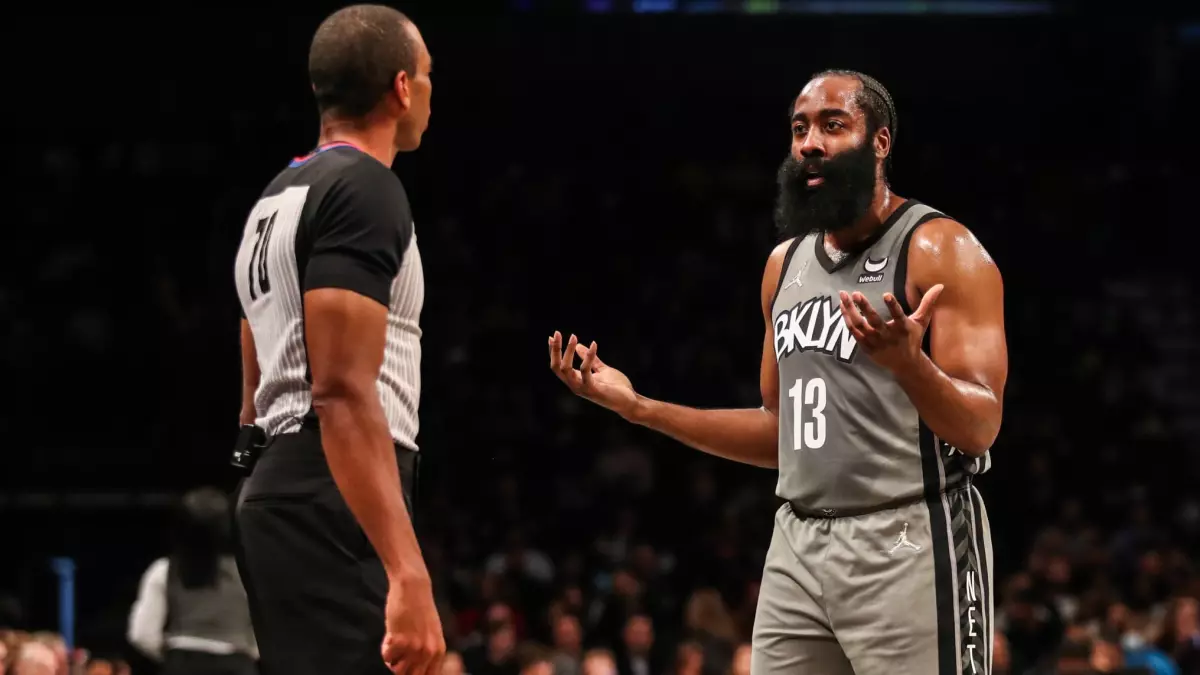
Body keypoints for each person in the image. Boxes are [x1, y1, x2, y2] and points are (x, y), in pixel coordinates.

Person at [548, 70, 1006, 675]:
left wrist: (909, 365)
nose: (810, 143)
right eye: (799, 129)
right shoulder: (782, 266)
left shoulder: (939, 248)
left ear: (881, 142)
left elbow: (979, 427)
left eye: (833, 125)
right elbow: (780, 432)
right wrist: (639, 407)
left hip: (907, 536)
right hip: (798, 542)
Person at [232, 4, 442, 675]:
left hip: (279, 483)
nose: (432, 91)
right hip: (333, 489)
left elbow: (252, 330)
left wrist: (255, 443)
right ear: (402, 87)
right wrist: (409, 569)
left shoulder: (277, 193)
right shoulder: (367, 188)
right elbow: (344, 390)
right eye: (429, 75)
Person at [127, 487, 258, 674]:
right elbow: (265, 631)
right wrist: (243, 656)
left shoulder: (164, 570)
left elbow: (142, 633)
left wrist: (174, 658)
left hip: (182, 664)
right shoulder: (247, 574)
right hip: (235, 665)